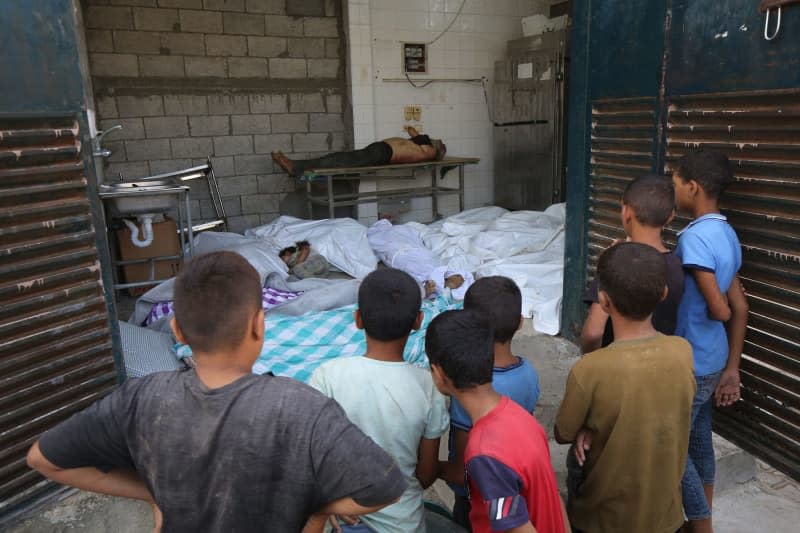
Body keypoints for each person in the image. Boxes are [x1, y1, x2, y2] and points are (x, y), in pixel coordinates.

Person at [26, 251, 407, 533]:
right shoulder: (303, 408)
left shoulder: (141, 399)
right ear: (260, 326)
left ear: (176, 330)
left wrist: (153, 493)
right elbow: (386, 485)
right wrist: (317, 509)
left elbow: (43, 460)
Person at [554, 242, 696, 533]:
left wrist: (586, 427)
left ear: (603, 302)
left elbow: (562, 433)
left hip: (601, 520)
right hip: (665, 517)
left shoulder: (590, 368)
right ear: (664, 294)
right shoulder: (683, 351)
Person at [308, 268, 450, 533]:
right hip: (401, 525)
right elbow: (426, 474)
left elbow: (308, 460)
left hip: (336, 519)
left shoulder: (327, 375)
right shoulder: (428, 386)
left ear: (358, 319)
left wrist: (330, 503)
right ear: (419, 321)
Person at [427, 309, 566, 533]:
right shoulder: (520, 416)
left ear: (437, 373)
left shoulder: (484, 454)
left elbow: (517, 528)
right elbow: (554, 496)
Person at [671, 150, 749, 533]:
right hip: (714, 358)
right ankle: (703, 518)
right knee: (699, 440)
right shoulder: (726, 234)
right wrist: (732, 368)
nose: (673, 192)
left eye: (674, 183)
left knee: (672, 447)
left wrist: (713, 304)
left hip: (692, 361)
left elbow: (723, 310)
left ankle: (701, 526)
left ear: (692, 186)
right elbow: (742, 305)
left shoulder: (695, 240)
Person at [437, 276, 541, 529]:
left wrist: (429, 469)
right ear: (519, 323)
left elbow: (464, 472)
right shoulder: (528, 373)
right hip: (515, 481)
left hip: (475, 499)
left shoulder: (472, 390)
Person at [580, 174, 685, 354]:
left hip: (616, 368)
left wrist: (590, 363)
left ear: (627, 212)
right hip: (657, 365)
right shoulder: (677, 265)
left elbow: (593, 332)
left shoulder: (616, 263)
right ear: (670, 217)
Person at [272, 126, 447, 177]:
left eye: (436, 141)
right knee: (339, 159)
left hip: (383, 154)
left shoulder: (429, 152)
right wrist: (413, 131)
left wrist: (417, 133)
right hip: (381, 150)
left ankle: (295, 167)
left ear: (437, 149)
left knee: (338, 160)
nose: (434, 139)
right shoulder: (421, 145)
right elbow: (413, 134)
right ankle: (297, 167)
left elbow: (417, 137)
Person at [367, 218, 473, 299]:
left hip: (412, 254)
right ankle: (434, 283)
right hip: (410, 252)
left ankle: (433, 284)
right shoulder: (394, 231)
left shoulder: (397, 231)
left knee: (413, 264)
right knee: (408, 259)